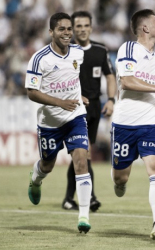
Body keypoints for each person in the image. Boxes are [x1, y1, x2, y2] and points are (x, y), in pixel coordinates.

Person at [111, 9, 155, 240]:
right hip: (126, 124)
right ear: (145, 27)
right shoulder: (129, 49)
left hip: (153, 122)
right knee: (121, 179)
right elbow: (128, 82)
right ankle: (119, 183)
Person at [25, 12, 91, 234]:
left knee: (81, 160)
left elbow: (73, 76)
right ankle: (35, 180)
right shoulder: (39, 58)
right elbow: (32, 92)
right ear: (51, 32)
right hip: (50, 123)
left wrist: (77, 96)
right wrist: (59, 102)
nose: (67, 33)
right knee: (47, 165)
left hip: (75, 117)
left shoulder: (78, 52)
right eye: (61, 29)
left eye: (69, 29)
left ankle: (83, 216)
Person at [61, 11, 116, 212]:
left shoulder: (100, 51)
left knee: (81, 154)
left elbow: (110, 76)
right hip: (73, 108)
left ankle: (68, 199)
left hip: (93, 106)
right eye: (78, 26)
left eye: (86, 26)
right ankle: (90, 197)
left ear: (91, 28)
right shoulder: (65, 51)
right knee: (84, 153)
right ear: (72, 29)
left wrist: (111, 99)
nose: (82, 29)